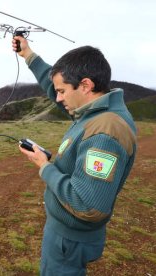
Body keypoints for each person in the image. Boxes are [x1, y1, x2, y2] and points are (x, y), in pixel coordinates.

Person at [12, 36, 137, 275]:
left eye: (62, 91)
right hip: (67, 236)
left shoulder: (105, 131)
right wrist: (28, 55)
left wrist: (45, 166)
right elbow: (55, 87)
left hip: (68, 242)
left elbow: (87, 204)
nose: (57, 98)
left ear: (86, 85)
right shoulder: (97, 111)